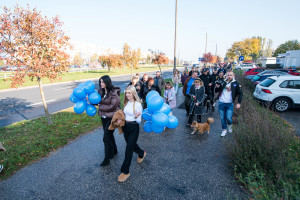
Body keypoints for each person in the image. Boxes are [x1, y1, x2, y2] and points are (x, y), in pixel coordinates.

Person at [118, 85, 146, 183]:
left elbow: (138, 121)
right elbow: (124, 115)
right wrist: (120, 119)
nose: (127, 94)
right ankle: (142, 152)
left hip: (134, 128)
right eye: (126, 93)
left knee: (128, 149)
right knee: (132, 146)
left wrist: (137, 116)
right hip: (126, 127)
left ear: (133, 93)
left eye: (129, 93)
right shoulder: (125, 103)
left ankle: (125, 171)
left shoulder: (138, 104)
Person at [98, 75, 121, 166]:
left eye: (102, 82)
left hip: (111, 118)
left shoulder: (113, 93)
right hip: (103, 117)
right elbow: (98, 102)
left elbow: (113, 106)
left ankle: (106, 159)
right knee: (109, 135)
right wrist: (90, 101)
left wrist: (101, 107)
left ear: (107, 82)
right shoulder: (101, 91)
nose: (101, 84)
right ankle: (114, 151)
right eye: (100, 82)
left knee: (106, 138)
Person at [215, 71, 243, 137]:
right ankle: (224, 130)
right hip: (221, 102)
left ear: (233, 75)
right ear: (226, 75)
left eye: (230, 75)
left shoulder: (236, 83)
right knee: (222, 118)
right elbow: (216, 90)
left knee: (229, 118)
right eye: (228, 75)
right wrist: (218, 87)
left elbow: (240, 94)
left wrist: (239, 103)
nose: (229, 76)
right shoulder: (223, 82)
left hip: (230, 103)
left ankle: (230, 125)